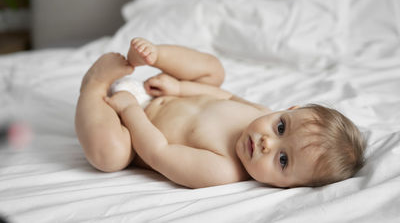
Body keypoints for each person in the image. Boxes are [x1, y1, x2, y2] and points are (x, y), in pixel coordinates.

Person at [75, 38, 365, 188]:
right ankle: (154, 54)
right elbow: (221, 95)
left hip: (128, 123)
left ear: (285, 186)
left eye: (283, 159)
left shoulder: (223, 170)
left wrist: (128, 109)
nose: (268, 143)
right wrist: (179, 87)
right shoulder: (259, 112)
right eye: (280, 128)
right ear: (288, 110)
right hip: (157, 91)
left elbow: (158, 152)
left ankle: (93, 86)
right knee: (215, 71)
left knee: (109, 155)